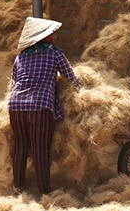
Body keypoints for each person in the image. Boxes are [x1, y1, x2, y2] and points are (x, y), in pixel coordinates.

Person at [8, 16, 81, 195]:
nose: (53, 37)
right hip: (40, 107)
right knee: (41, 148)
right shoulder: (55, 53)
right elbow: (70, 77)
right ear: (43, 37)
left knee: (20, 146)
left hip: (15, 105)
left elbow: (15, 81)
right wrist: (85, 89)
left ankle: (18, 186)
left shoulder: (20, 57)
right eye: (51, 34)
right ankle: (44, 191)